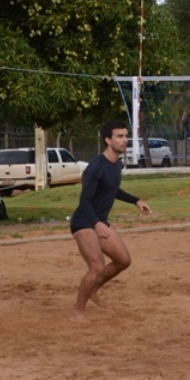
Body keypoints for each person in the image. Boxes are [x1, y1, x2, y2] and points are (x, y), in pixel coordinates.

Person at [69, 121, 152, 323]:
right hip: (84, 221)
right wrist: (96, 223)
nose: (125, 140)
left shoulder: (117, 164)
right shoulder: (96, 167)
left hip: (99, 221)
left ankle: (94, 288)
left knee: (123, 260)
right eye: (120, 136)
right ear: (108, 140)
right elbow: (85, 200)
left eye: (126, 136)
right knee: (97, 266)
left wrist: (136, 200)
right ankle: (78, 312)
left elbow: (113, 190)